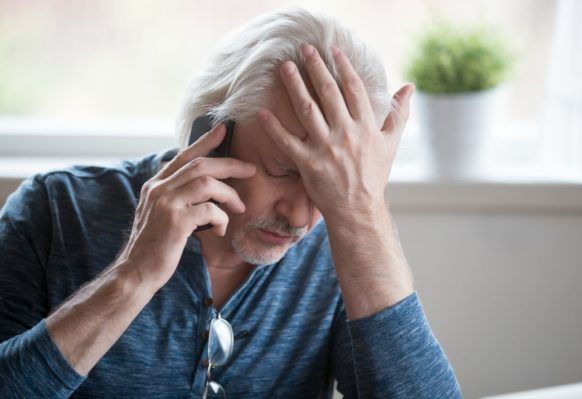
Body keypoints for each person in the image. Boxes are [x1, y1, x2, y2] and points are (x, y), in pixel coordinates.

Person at [0, 7, 461, 399]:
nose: (301, 217)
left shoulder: (345, 250)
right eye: (285, 170)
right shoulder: (54, 211)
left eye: (329, 185)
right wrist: (132, 278)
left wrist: (362, 215)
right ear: (210, 135)